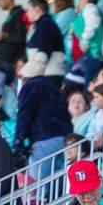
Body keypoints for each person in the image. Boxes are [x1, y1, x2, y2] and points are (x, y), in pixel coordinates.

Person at [13, 52, 71, 181]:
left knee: (39, 188)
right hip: (64, 140)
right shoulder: (56, 89)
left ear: (25, 77)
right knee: (57, 188)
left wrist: (18, 144)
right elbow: (67, 117)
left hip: (44, 141)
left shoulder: (29, 87)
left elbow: (24, 116)